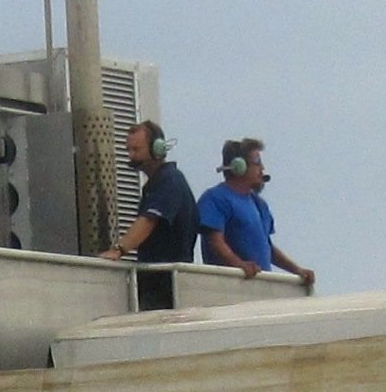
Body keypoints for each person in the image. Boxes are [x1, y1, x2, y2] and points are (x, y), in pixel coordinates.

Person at [97, 119, 198, 307]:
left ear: (157, 149)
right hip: (156, 281)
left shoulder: (170, 181)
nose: (131, 156)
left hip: (167, 285)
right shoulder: (156, 184)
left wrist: (118, 250)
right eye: (129, 150)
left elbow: (148, 221)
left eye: (136, 150)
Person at [201, 137, 314, 290]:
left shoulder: (259, 205)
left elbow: (268, 248)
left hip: (259, 288)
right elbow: (215, 241)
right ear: (238, 166)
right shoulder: (215, 198)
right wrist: (239, 265)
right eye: (257, 163)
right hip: (230, 289)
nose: (262, 169)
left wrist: (297, 270)